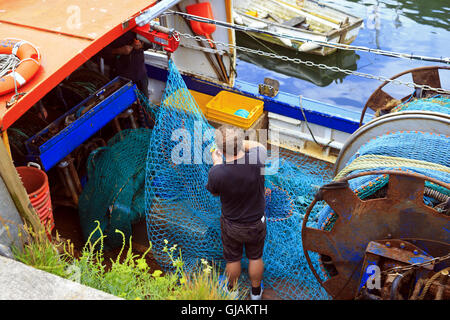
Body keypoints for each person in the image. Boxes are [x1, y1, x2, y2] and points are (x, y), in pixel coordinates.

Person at [206, 125, 267, 300]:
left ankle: (231, 291)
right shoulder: (257, 158)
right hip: (256, 222)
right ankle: (256, 294)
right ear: (241, 143)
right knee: (256, 257)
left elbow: (215, 192)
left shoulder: (217, 173)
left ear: (220, 149)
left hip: (232, 225)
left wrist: (217, 162)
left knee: (233, 259)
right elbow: (259, 146)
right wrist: (239, 143)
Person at [102, 31, 152, 98]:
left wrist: (141, 45)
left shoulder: (135, 26)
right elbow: (101, 53)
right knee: (123, 102)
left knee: (144, 102)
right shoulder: (108, 32)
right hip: (121, 77)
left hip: (140, 74)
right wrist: (119, 50)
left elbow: (150, 43)